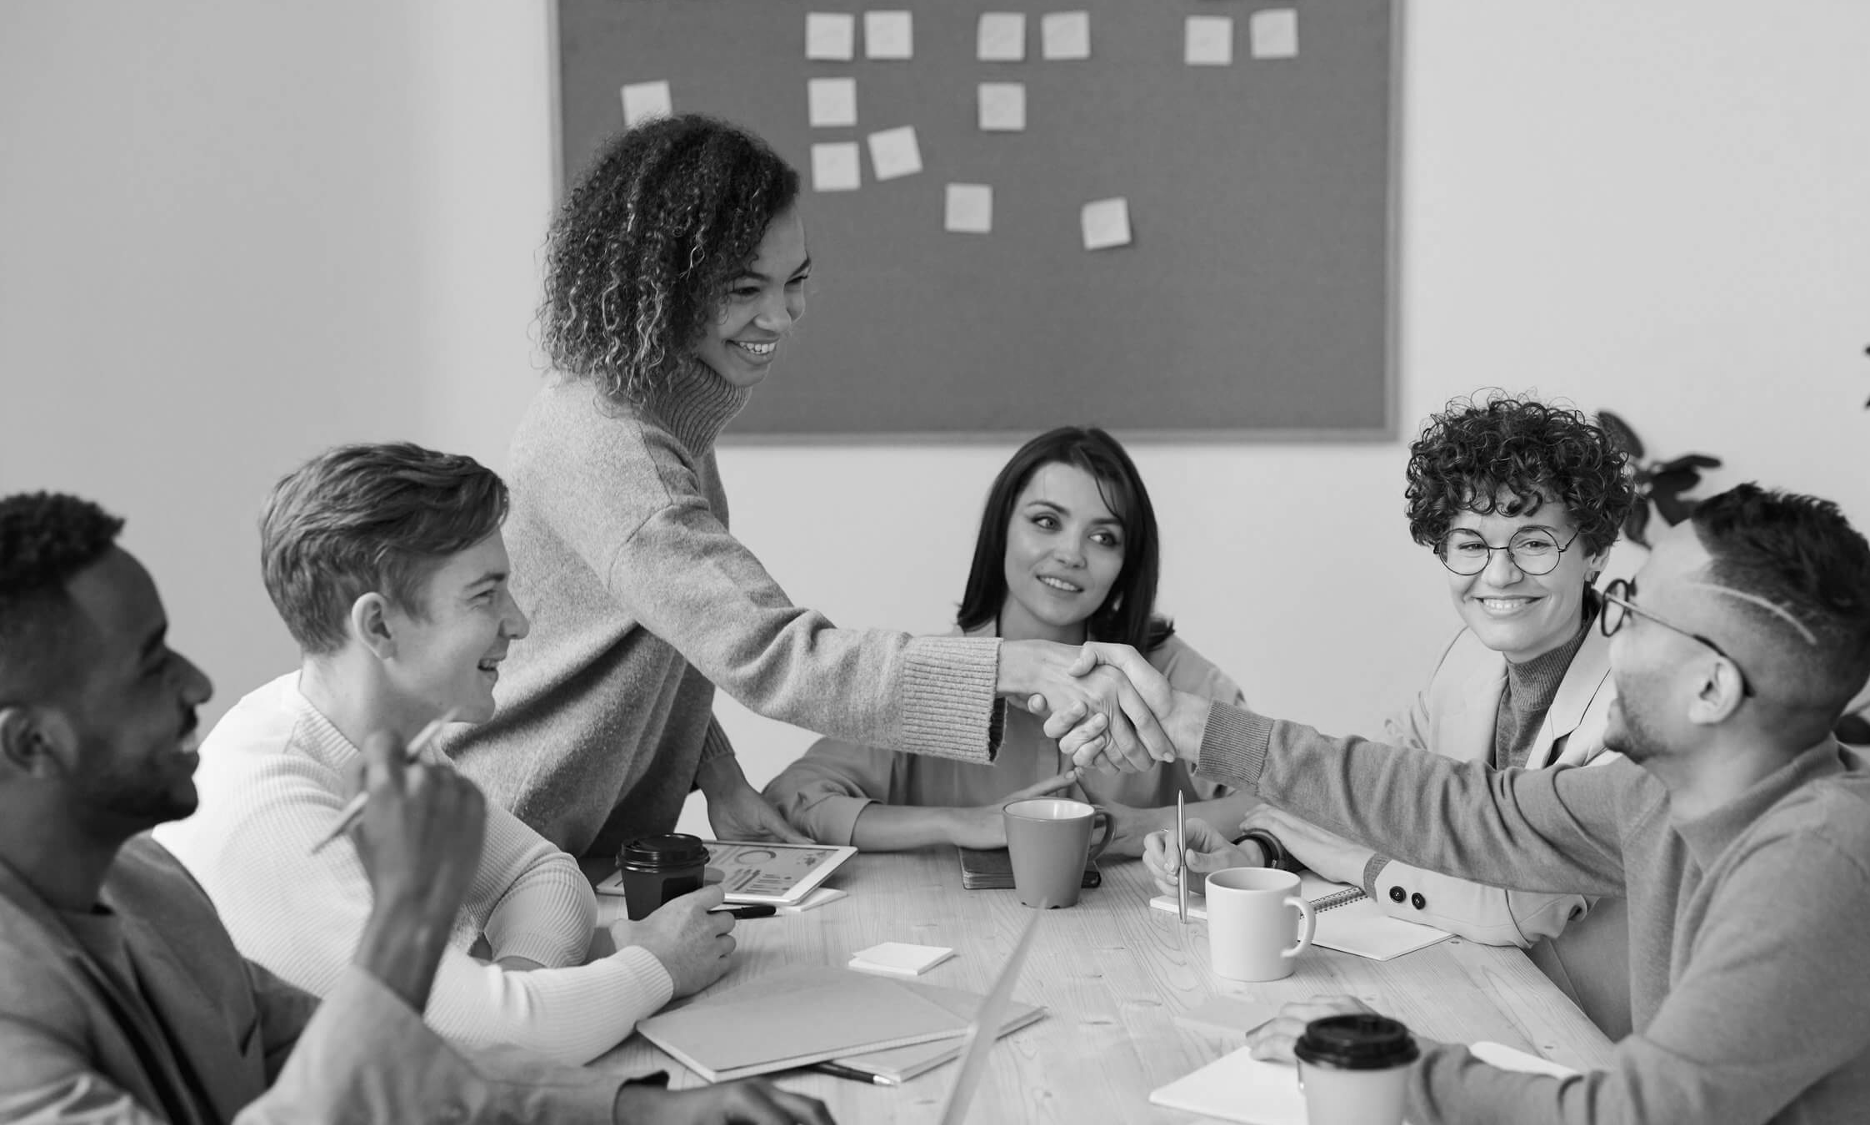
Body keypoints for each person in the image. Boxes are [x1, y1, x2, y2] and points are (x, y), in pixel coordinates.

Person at [1070, 485, 1870, 1124]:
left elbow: (1639, 1114)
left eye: (1631, 609)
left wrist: (1397, 1062)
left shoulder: (1822, 864)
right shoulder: (1667, 791)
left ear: (1712, 688)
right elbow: (1472, 811)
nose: (1608, 627)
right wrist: (1201, 727)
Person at [444, 114, 1170, 858]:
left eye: (796, 282)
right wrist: (1012, 664)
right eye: (745, 288)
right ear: (658, 285)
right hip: (501, 851)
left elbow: (677, 631)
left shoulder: (662, 414)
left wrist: (719, 777)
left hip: (574, 850)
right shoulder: (611, 446)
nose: (781, 316)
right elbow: (774, 652)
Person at [0, 491, 834, 1125]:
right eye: (150, 668)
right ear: (30, 742)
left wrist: (639, 1109)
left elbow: (386, 1061)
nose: (198, 684)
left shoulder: (147, 884)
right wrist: (408, 919)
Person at [152, 444, 733, 1066]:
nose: (519, 623)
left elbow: (542, 876)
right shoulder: (271, 809)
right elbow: (495, 1044)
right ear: (377, 627)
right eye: (484, 596)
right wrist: (655, 966)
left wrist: (515, 990)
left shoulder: (385, 738)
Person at [1154, 394, 1636, 1035]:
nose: (1497, 574)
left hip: (1600, 1040)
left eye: (1535, 543)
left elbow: (1513, 904)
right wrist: (1257, 850)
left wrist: (1349, 859)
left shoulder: (1636, 700)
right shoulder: (1468, 659)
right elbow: (1369, 790)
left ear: (1596, 551)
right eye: (1470, 543)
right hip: (1486, 998)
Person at [764, 427, 1253, 855]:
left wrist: (1147, 826)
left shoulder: (1173, 675)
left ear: (1127, 565)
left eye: (1103, 538)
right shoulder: (931, 675)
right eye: (1046, 522)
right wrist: (961, 822)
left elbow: (1292, 801)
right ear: (1001, 531)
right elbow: (794, 799)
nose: (1071, 554)